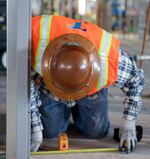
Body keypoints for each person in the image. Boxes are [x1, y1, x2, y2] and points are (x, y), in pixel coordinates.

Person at [30, 15, 144, 153]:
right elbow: (27, 86)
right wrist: (36, 130)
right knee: (50, 132)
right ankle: (62, 114)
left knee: (97, 132)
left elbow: (136, 80)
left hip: (90, 93)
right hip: (50, 90)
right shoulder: (33, 41)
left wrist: (128, 125)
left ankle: (83, 109)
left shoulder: (109, 58)